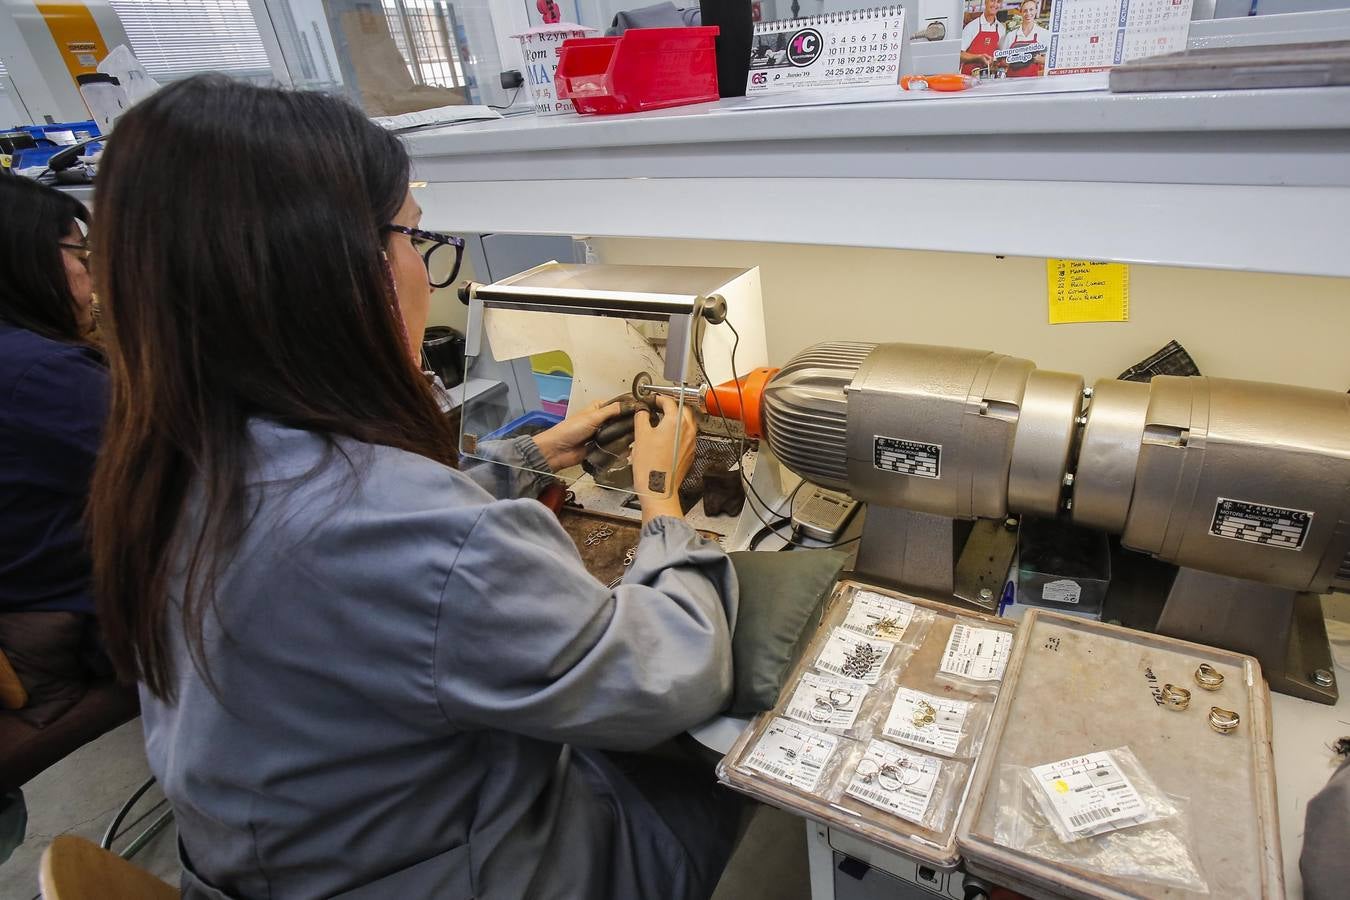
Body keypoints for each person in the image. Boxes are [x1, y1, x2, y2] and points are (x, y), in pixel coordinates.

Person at [88, 76, 741, 900]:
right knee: (723, 750)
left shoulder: (171, 460)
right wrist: (661, 505)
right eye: (414, 238)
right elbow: (667, 677)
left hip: (286, 861)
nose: (424, 273)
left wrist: (530, 457)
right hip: (450, 875)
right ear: (332, 266)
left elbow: (363, 533)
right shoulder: (394, 522)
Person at [0, 176, 106, 863]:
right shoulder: (34, 372)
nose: (88, 271)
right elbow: (197, 470)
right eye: (79, 252)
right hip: (59, 635)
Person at [1000, 0, 1048, 78]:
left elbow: (1051, 61)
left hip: (1033, 83)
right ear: (1021, 12)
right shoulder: (1011, 35)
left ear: (1036, 11)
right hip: (1012, 81)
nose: (1028, 13)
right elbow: (1002, 60)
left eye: (1031, 10)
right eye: (1025, 10)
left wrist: (1038, 59)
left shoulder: (1044, 34)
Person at [960, 0, 1004, 76]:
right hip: (969, 78)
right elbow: (959, 55)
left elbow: (1001, 55)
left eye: (998, 2)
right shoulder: (972, 27)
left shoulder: (1001, 28)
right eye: (992, 1)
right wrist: (978, 58)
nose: (995, 4)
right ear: (985, 2)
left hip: (990, 78)